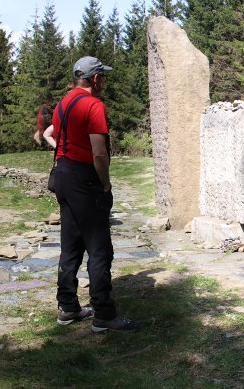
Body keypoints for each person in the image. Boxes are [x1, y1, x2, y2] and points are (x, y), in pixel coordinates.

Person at [52, 55, 139, 333]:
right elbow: (99, 153)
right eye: (103, 77)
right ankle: (103, 314)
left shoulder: (63, 104)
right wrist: (106, 184)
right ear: (96, 79)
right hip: (84, 178)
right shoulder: (94, 105)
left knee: (71, 244)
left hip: (63, 175)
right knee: (99, 248)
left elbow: (56, 136)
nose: (104, 82)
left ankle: (67, 307)